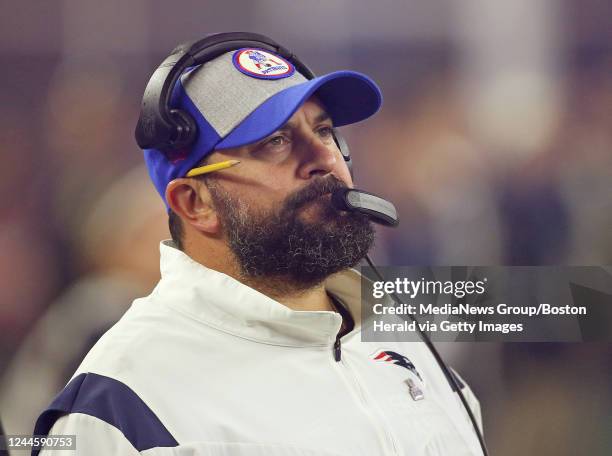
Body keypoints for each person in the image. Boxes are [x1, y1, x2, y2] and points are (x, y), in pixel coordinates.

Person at [32, 34, 484, 455]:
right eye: (276, 142)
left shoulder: (405, 341)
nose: (325, 160)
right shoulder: (123, 403)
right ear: (194, 203)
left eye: (324, 131)